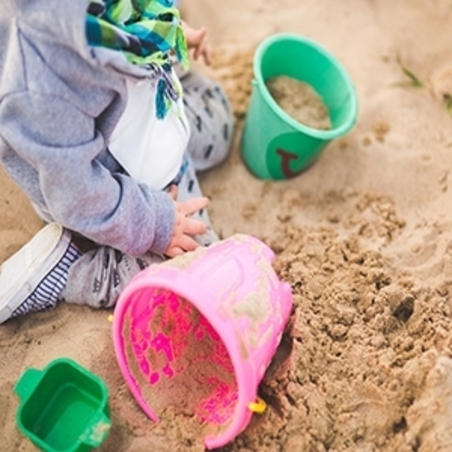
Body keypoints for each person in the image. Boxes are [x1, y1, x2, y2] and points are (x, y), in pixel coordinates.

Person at [0, 0, 233, 323]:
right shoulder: (40, 83)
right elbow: (78, 196)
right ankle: (73, 268)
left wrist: (171, 36)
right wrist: (157, 224)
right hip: (115, 190)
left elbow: (134, 14)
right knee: (199, 263)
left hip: (149, 118)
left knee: (220, 127)